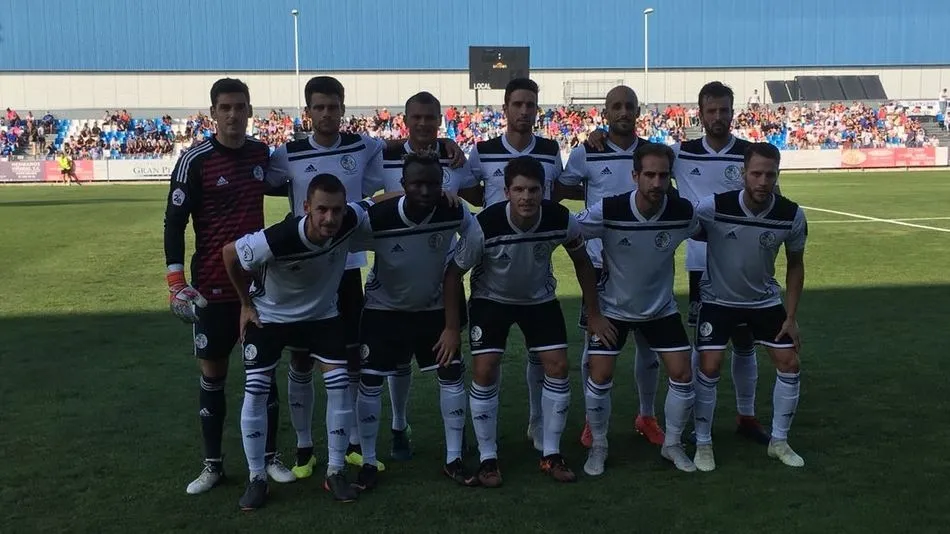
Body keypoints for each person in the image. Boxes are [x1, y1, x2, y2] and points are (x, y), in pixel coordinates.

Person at [267, 76, 465, 472]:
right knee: (301, 360)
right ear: (308, 112)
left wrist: (443, 142)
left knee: (353, 357)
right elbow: (265, 180)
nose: (327, 113)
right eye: (319, 107)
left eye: (333, 106)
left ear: (343, 109)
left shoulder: (363, 145)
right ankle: (305, 447)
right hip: (303, 268)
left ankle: (356, 443)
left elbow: (404, 144)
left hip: (347, 268)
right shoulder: (286, 154)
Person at [442, 156, 612, 487]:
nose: (526, 197)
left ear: (543, 191)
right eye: (519, 190)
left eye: (533, 190)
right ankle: (488, 458)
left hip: (539, 299)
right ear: (507, 192)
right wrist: (451, 328)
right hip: (491, 299)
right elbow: (452, 274)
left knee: (558, 366)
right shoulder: (485, 225)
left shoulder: (560, 218)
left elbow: (582, 262)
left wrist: (594, 313)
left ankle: (551, 454)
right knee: (484, 369)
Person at [163, 78, 295, 495]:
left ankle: (270, 457)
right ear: (213, 113)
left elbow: (297, 178)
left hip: (257, 286)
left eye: (240, 107)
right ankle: (213, 465)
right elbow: (174, 222)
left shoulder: (261, 154)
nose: (233, 114)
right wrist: (175, 281)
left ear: (250, 111)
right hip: (212, 286)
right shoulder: (195, 160)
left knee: (263, 372)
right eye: (225, 107)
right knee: (213, 374)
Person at [221, 173, 384, 509]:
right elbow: (229, 254)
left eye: (336, 210)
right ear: (306, 207)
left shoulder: (349, 219)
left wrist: (438, 193)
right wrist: (246, 304)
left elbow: (376, 202)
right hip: (270, 317)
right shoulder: (277, 238)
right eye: (322, 209)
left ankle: (335, 472)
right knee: (256, 389)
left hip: (322, 316)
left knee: (339, 385)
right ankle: (256, 478)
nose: (330, 218)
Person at [350, 150, 481, 491]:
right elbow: (342, 226)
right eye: (417, 183)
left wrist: (452, 322)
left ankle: (454, 458)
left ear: (443, 184)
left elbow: (475, 236)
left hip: (433, 310)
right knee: (370, 382)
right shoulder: (376, 218)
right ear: (403, 184)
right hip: (383, 311)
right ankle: (367, 461)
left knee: (451, 376)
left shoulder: (454, 211)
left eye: (433, 184)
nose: (425, 190)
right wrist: (370, 201)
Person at [363, 91, 477, 461]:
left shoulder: (454, 157)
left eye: (431, 117)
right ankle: (399, 425)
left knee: (450, 362)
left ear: (440, 120)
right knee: (396, 364)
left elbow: (471, 203)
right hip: (394, 273)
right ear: (406, 120)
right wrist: (401, 195)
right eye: (417, 117)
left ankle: (456, 441)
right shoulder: (384, 157)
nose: (424, 123)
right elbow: (361, 199)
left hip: (440, 280)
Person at [573, 143, 698, 475]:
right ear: (635, 176)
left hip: (660, 308)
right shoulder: (610, 209)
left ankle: (673, 445)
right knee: (600, 374)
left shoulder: (682, 212)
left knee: (683, 373)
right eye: (649, 175)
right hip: (612, 309)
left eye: (663, 176)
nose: (656, 183)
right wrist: (594, 312)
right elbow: (570, 231)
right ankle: (599, 446)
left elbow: (711, 230)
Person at [555, 85, 665, 449]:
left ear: (638, 112)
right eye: (616, 106)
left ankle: (646, 415)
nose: (623, 112)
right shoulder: (587, 152)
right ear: (605, 113)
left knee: (649, 347)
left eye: (629, 106)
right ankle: (592, 420)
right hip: (601, 266)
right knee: (596, 346)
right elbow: (564, 189)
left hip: (645, 266)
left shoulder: (651, 154)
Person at [460, 78, 565, 449]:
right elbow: (467, 189)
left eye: (530, 104)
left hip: (535, 267)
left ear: (537, 109)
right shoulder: (482, 151)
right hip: (492, 266)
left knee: (542, 355)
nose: (524, 111)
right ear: (504, 108)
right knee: (489, 360)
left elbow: (557, 193)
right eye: (517, 104)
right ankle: (488, 444)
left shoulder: (551, 150)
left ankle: (537, 421)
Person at [691, 143, 807, 471]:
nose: (762, 181)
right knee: (709, 365)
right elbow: (679, 228)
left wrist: (791, 316)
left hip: (764, 302)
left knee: (790, 363)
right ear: (743, 173)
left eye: (770, 175)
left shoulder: (791, 214)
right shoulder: (713, 207)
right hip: (718, 300)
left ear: (777, 175)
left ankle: (779, 441)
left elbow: (795, 265)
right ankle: (703, 443)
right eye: (756, 174)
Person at [673, 82, 771, 443]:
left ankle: (747, 416)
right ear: (700, 114)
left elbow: (770, 197)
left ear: (733, 112)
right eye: (711, 110)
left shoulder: (749, 154)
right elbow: (638, 157)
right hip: (702, 266)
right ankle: (696, 422)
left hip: (746, 263)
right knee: (705, 345)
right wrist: (597, 138)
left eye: (724, 110)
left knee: (745, 342)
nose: (718, 116)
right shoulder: (680, 153)